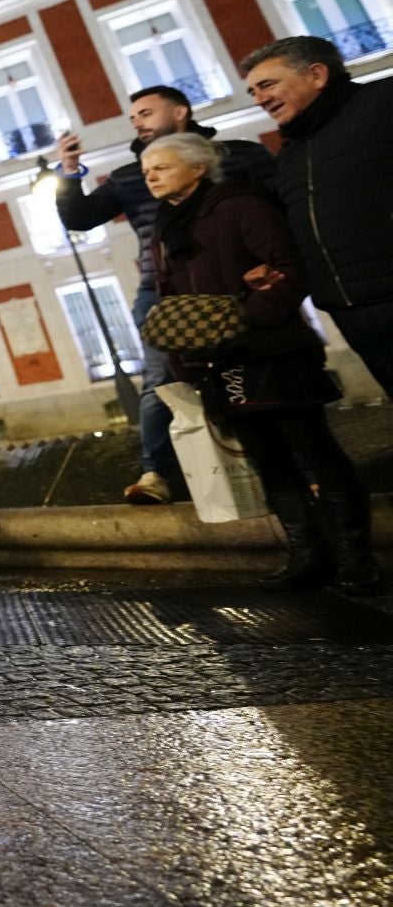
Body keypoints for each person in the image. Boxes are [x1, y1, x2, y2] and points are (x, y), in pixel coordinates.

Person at [143, 132, 381, 594]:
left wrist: (243, 318)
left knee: (316, 451)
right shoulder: (165, 227)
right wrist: (185, 358)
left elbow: (289, 268)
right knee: (268, 462)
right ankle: (308, 558)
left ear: (198, 168)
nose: (151, 176)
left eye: (162, 167)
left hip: (274, 352)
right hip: (217, 363)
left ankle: (356, 558)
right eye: (148, 170)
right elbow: (171, 300)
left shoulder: (240, 205)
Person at [55, 83, 276, 504]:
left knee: (259, 371)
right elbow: (80, 217)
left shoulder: (240, 156)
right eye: (133, 117)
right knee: (160, 381)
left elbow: (279, 205)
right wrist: (68, 171)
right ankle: (156, 472)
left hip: (238, 284)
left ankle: (291, 468)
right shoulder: (129, 176)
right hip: (161, 291)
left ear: (179, 113)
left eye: (146, 113)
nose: (137, 122)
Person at [242, 36, 393, 399]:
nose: (259, 99)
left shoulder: (383, 102)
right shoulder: (292, 152)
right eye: (253, 92)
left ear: (317, 75)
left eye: (267, 85)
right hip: (350, 308)